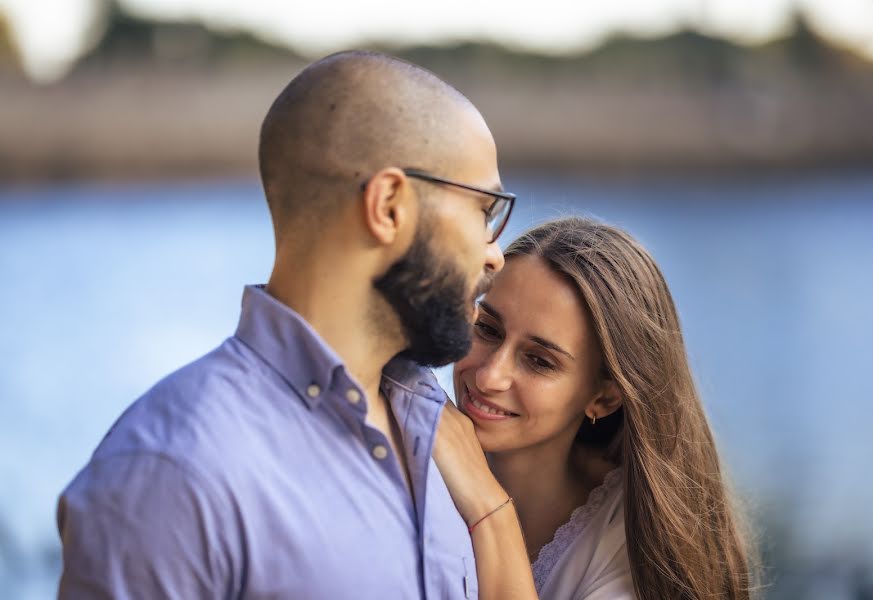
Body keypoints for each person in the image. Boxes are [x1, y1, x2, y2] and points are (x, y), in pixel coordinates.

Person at [57, 50, 517, 598]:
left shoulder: (442, 431)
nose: (496, 256)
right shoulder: (173, 472)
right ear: (390, 206)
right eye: (484, 212)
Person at [434, 217, 756, 599]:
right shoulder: (416, 447)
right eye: (488, 329)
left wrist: (492, 514)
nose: (490, 377)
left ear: (604, 398)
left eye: (539, 360)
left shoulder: (626, 557)